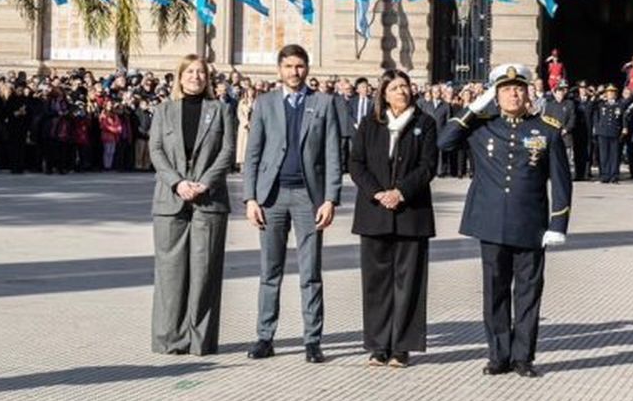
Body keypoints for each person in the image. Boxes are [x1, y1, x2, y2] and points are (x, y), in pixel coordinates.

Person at [439, 63, 572, 378]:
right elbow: (444, 141)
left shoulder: (547, 128)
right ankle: (498, 355)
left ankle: (523, 356)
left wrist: (558, 225)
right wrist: (472, 108)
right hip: (492, 222)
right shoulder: (482, 125)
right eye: (505, 89)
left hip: (531, 223)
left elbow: (562, 181)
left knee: (528, 293)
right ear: (495, 95)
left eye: (519, 88)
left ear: (528, 93)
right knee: (495, 292)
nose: (513, 93)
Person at [242, 44, 343, 363]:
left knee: (310, 271)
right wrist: (250, 198)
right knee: (269, 270)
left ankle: (312, 340)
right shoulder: (265, 103)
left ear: (308, 69)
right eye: (288, 66)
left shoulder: (324, 103)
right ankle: (264, 336)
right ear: (279, 70)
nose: (294, 72)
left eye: (300, 66)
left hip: (307, 198)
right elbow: (253, 154)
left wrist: (330, 198)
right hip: (271, 198)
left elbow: (332, 154)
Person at [148, 56, 238, 355]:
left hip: (208, 199)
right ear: (179, 76)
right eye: (190, 72)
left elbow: (227, 150)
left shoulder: (222, 110)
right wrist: (177, 182)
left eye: (201, 72)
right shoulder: (163, 110)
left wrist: (206, 182)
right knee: (170, 273)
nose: (196, 77)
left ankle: (201, 341)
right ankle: (170, 338)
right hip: (170, 200)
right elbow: (156, 150)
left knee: (205, 273)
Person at [348, 69, 437, 367]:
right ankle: (378, 345)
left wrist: (400, 192)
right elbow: (356, 163)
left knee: (409, 281)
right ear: (383, 93)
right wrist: (377, 193)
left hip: (411, 212)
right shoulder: (369, 124)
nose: (401, 91)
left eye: (405, 86)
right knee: (377, 282)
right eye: (395, 87)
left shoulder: (425, 123)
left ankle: (402, 346)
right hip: (374, 213)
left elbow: (427, 167)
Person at [591, 84, 626, 183]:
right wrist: (598, 95)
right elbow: (592, 107)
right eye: (609, 93)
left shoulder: (619, 105)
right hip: (603, 132)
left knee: (614, 155)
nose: (611, 94)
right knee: (604, 155)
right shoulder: (601, 104)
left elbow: (623, 117)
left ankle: (614, 176)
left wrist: (624, 127)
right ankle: (605, 176)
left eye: (613, 93)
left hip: (615, 132)